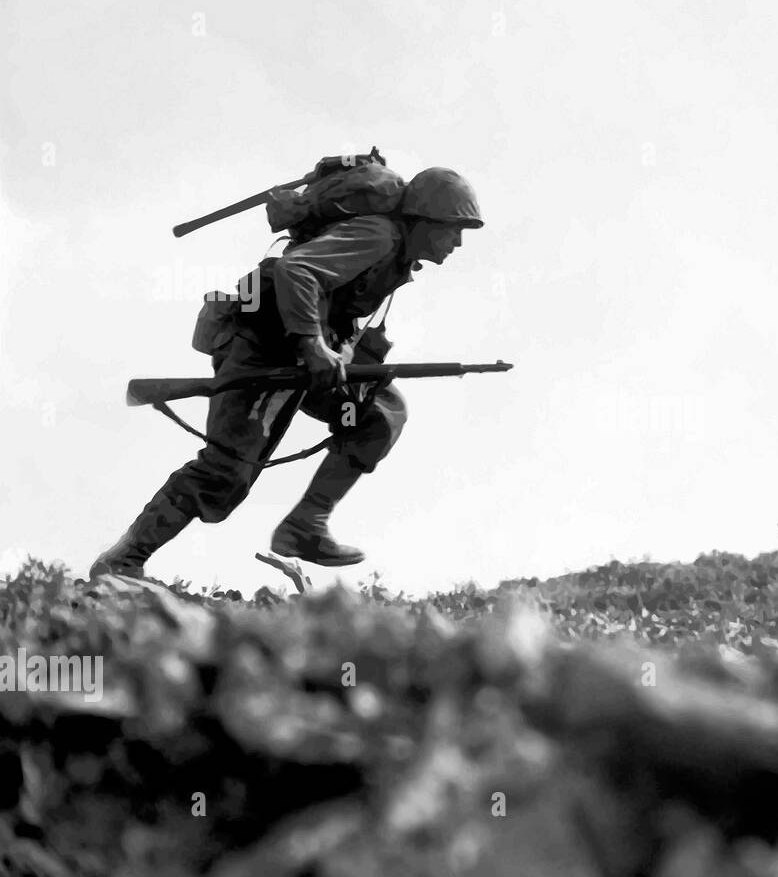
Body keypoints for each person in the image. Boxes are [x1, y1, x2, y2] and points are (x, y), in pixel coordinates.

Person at [90, 168, 483, 577]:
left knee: (380, 411)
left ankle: (305, 525)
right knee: (226, 473)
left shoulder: (396, 255)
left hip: (300, 354)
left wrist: (335, 351)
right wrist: (313, 345)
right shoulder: (378, 236)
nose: (456, 242)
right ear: (426, 220)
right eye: (454, 230)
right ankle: (123, 559)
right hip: (262, 345)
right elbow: (296, 270)